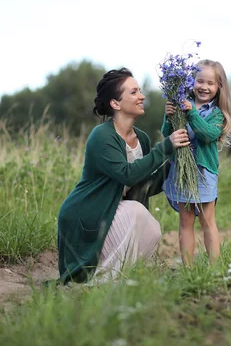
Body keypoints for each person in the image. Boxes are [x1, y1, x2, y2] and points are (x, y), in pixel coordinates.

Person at [57, 68, 190, 284]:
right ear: (115, 104)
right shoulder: (102, 136)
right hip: (88, 215)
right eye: (134, 92)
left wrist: (175, 164)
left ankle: (113, 278)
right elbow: (127, 175)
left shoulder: (143, 139)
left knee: (152, 228)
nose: (142, 96)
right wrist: (166, 147)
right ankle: (99, 279)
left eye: (140, 91)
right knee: (138, 212)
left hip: (115, 212)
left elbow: (143, 185)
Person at [161, 59, 231, 266]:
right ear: (190, 82)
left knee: (207, 220)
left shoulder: (217, 114)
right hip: (181, 171)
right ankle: (188, 268)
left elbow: (207, 134)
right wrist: (169, 117)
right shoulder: (181, 104)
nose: (204, 87)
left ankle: (213, 268)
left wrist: (192, 113)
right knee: (185, 222)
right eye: (199, 81)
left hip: (204, 173)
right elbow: (167, 134)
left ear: (219, 86)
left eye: (210, 83)